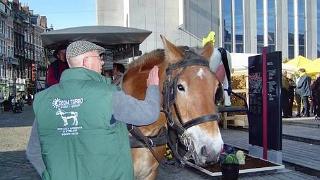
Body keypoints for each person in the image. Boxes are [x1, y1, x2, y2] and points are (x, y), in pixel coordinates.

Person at [26, 40, 160, 180]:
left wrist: (48, 175)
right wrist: (153, 87)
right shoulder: (109, 94)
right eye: (99, 57)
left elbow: (33, 151)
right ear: (86, 62)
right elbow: (149, 114)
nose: (102, 62)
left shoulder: (43, 100)